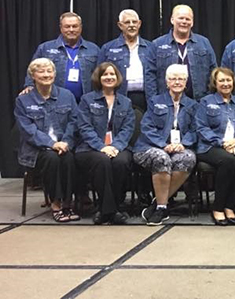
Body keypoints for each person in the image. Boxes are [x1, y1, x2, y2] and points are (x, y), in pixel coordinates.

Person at [15, 58, 79, 222]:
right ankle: (56, 204)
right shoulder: (23, 100)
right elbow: (28, 131)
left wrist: (66, 142)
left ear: (54, 74)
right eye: (41, 71)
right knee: (52, 158)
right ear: (33, 76)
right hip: (36, 150)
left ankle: (67, 204)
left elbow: (74, 122)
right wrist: (51, 144)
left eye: (49, 71)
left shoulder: (67, 95)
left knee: (69, 158)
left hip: (64, 145)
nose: (46, 75)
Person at [133, 64, 197, 226]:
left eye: (181, 79)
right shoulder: (155, 102)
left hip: (179, 147)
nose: (177, 82)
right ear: (167, 82)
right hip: (150, 147)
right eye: (173, 79)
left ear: (186, 82)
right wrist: (163, 144)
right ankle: (162, 207)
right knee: (162, 158)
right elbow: (147, 127)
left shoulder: (192, 105)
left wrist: (183, 144)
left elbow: (195, 130)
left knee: (188, 158)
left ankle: (158, 203)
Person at [74, 62, 135, 224]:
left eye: (112, 74)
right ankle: (111, 211)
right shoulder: (87, 100)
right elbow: (84, 127)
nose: (109, 77)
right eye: (105, 74)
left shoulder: (126, 102)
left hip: (118, 146)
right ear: (99, 78)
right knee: (102, 161)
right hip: (90, 148)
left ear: (117, 78)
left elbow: (128, 128)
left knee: (121, 162)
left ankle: (106, 209)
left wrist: (115, 147)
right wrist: (101, 147)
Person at [195, 67, 235, 225]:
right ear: (215, 83)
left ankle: (230, 206)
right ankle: (218, 207)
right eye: (221, 80)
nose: (225, 83)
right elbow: (201, 128)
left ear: (233, 82)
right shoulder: (206, 101)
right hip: (209, 146)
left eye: (228, 80)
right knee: (228, 161)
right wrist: (221, 142)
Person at [146, 4, 217, 100]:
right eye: (181, 18)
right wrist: (154, 101)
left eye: (188, 19)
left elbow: (213, 72)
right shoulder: (157, 44)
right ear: (172, 20)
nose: (184, 22)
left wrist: (208, 99)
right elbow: (150, 75)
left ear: (192, 22)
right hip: (166, 103)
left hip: (199, 101)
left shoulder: (204, 43)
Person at [24, 12, 100, 102]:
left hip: (86, 102)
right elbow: (33, 69)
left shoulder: (93, 49)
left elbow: (101, 74)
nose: (71, 29)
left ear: (81, 27)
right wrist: (29, 85)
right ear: (61, 28)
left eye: (75, 26)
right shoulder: (45, 48)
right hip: (55, 101)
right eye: (67, 26)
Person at [98, 9, 154, 112]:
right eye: (127, 22)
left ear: (139, 24)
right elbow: (99, 77)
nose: (131, 25)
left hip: (146, 99)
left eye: (134, 22)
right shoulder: (108, 48)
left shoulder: (151, 47)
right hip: (118, 98)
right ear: (120, 25)